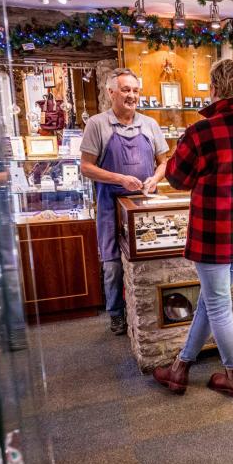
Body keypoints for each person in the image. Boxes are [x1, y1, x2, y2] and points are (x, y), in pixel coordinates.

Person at [152, 59, 233, 398]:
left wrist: (176, 153)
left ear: (214, 88)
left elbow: (176, 178)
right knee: (211, 300)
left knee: (218, 305)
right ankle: (180, 368)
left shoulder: (200, 131)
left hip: (213, 235)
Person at [80, 68, 168, 336]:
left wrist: (154, 179)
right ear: (111, 93)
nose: (132, 95)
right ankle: (117, 314)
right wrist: (119, 179)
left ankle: (147, 311)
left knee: (149, 259)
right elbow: (86, 167)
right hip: (110, 206)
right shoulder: (97, 124)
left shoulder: (150, 124)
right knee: (113, 266)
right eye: (126, 90)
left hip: (144, 206)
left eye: (135, 90)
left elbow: (164, 161)